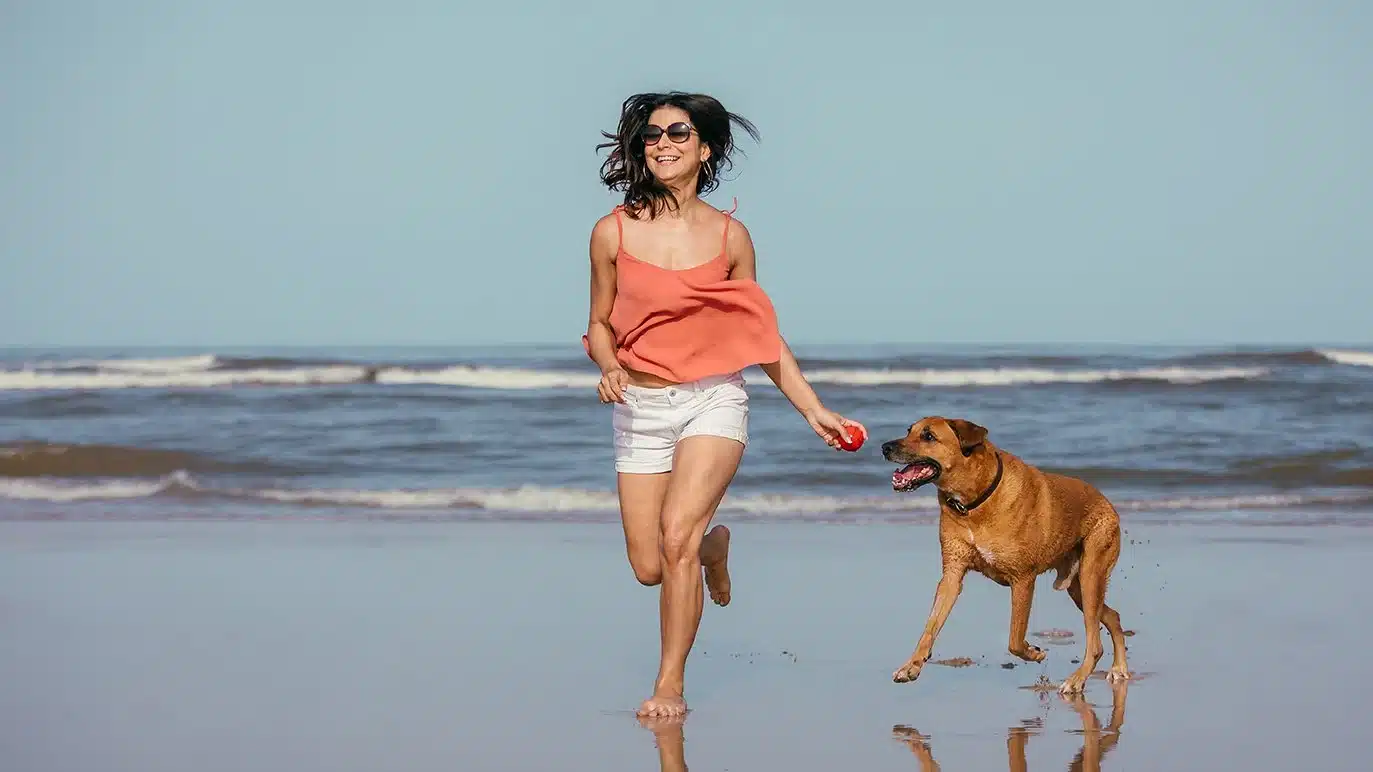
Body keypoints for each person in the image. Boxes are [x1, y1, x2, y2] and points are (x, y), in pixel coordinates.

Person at [583, 91, 865, 719]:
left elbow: (759, 335)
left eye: (678, 133)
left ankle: (670, 684)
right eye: (652, 135)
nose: (662, 143)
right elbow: (599, 321)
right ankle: (716, 548)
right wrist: (607, 365)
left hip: (713, 400)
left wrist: (814, 409)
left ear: (704, 148)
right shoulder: (613, 231)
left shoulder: (731, 237)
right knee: (650, 567)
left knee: (676, 535)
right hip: (640, 404)